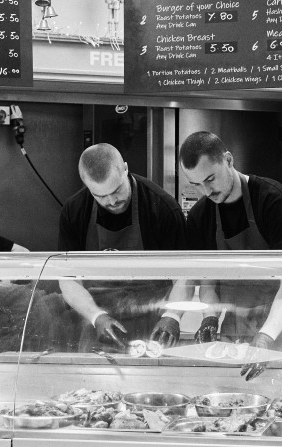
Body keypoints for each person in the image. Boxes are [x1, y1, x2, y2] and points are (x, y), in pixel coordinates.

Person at [179, 131, 282, 379]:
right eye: (196, 184)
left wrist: (265, 338)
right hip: (237, 325)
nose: (206, 191)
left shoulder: (275, 202)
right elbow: (208, 282)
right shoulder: (201, 215)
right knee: (237, 402)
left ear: (229, 160)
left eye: (210, 179)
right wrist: (209, 317)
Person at [57, 143, 186, 350]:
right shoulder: (74, 211)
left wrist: (172, 316)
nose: (112, 201)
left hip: (153, 322)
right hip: (96, 323)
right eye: (100, 196)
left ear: (125, 168)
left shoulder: (162, 208)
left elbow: (184, 275)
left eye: (117, 190)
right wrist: (96, 316)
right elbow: (67, 280)